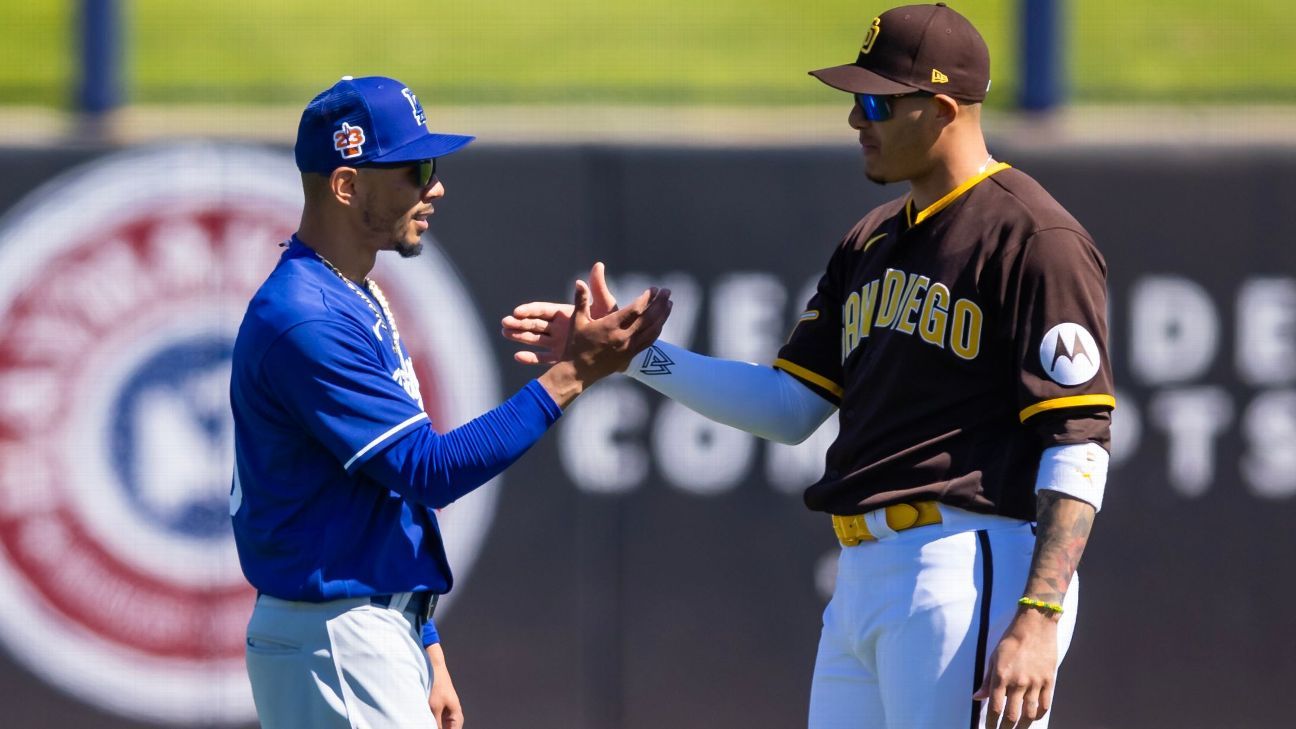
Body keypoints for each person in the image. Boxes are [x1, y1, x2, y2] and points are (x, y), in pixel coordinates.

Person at [500, 4, 1113, 728]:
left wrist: (1039, 612)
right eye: (855, 99)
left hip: (968, 559)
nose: (857, 119)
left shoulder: (1033, 237)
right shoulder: (871, 240)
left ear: (943, 108)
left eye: (877, 100)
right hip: (863, 575)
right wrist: (638, 359)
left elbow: (1077, 442)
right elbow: (791, 406)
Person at [229, 75, 672, 729]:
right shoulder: (306, 317)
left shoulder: (348, 293)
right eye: (415, 168)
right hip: (338, 639)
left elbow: (386, 494)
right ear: (347, 186)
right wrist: (575, 373)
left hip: (362, 632)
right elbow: (426, 469)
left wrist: (424, 642)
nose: (435, 186)